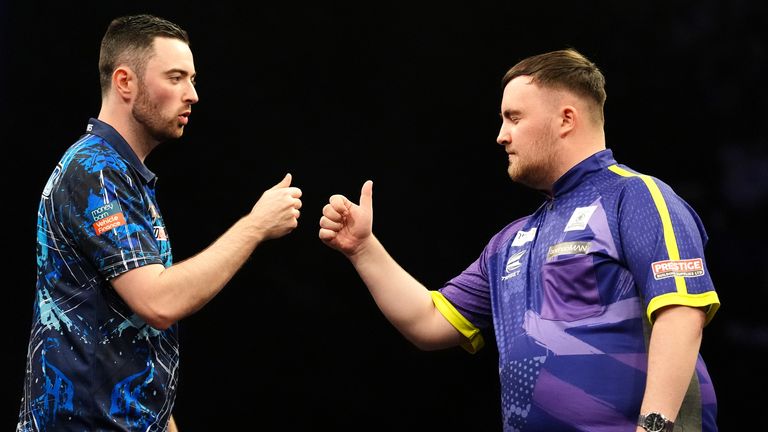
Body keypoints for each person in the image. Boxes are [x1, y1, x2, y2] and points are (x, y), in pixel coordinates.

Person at [319, 48, 720, 431]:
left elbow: (683, 311)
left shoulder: (635, 196)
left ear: (565, 119)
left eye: (513, 118)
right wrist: (363, 248)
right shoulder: (512, 240)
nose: (500, 136)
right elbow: (428, 322)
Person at [17, 14, 302, 432]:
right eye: (176, 77)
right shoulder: (95, 172)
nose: (193, 95)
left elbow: (129, 329)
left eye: (192, 78)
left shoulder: (121, 174)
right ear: (125, 82)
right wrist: (255, 225)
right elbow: (158, 303)